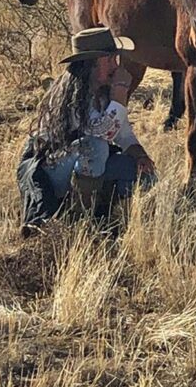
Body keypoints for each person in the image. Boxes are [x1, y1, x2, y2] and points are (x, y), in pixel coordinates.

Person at [17, 27, 156, 233]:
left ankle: (108, 215)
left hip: (85, 167)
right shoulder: (69, 95)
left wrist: (139, 154)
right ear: (91, 64)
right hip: (53, 169)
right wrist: (119, 95)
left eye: (115, 58)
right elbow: (100, 133)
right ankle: (80, 221)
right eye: (108, 59)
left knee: (143, 173)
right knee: (95, 147)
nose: (115, 65)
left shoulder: (103, 94)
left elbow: (123, 134)